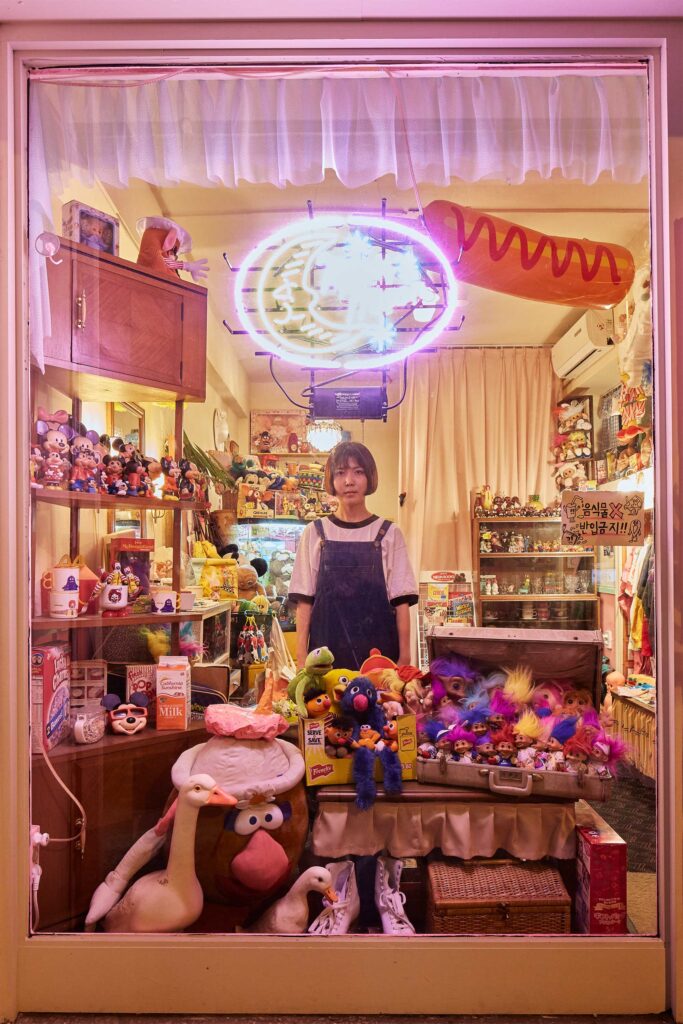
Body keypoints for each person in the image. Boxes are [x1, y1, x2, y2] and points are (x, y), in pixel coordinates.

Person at [289, 441, 418, 670]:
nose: (349, 481)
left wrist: (404, 659)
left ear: (369, 478)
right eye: (341, 473)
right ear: (331, 480)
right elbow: (304, 601)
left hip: (380, 660)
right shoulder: (315, 532)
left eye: (358, 472)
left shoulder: (389, 533)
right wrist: (301, 660)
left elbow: (402, 602)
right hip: (324, 660)